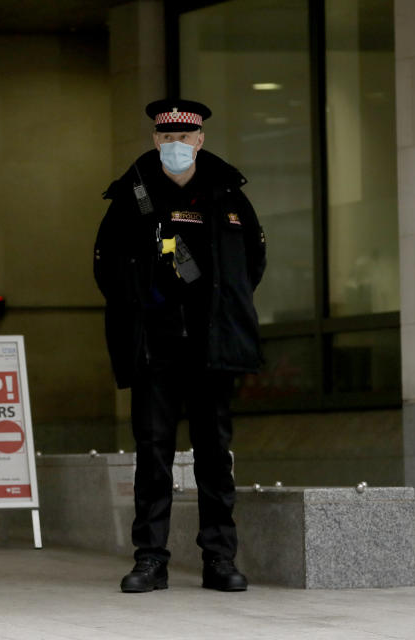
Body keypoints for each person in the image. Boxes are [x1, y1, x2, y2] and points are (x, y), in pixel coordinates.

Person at [93, 99, 266, 593]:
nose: (175, 147)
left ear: (200, 141)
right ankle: (150, 559)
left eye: (183, 138)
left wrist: (219, 311)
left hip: (212, 347)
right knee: (153, 457)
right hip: (155, 347)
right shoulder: (134, 196)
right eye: (165, 138)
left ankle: (219, 559)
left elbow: (251, 263)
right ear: (155, 141)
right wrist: (143, 310)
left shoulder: (227, 194)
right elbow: (107, 267)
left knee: (215, 456)